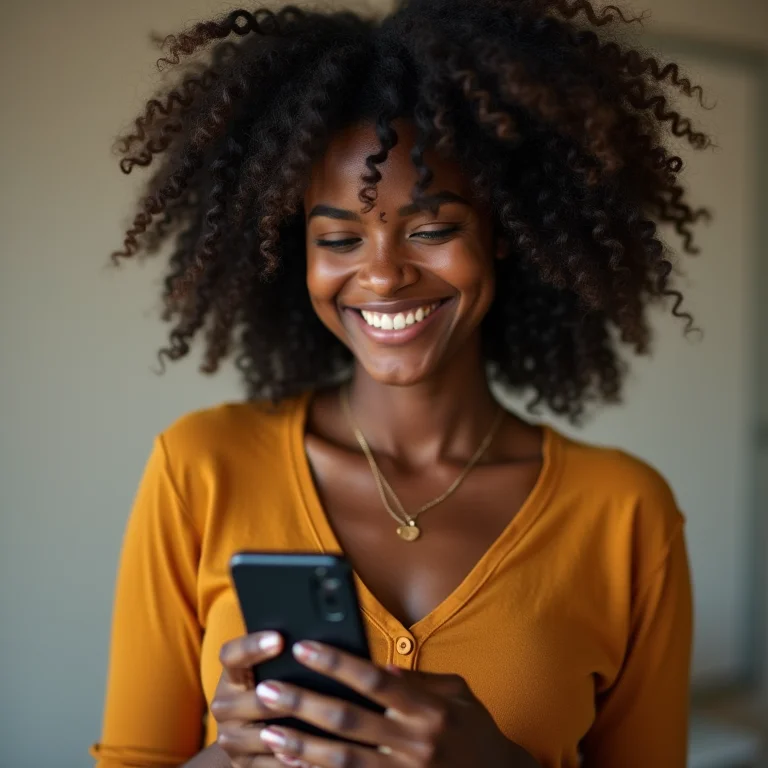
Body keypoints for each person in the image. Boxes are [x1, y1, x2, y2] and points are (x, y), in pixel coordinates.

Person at [92, 0, 710, 766]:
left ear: (505, 234)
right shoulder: (200, 468)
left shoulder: (625, 514)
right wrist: (233, 756)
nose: (381, 275)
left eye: (432, 229)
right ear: (299, 254)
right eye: (340, 238)